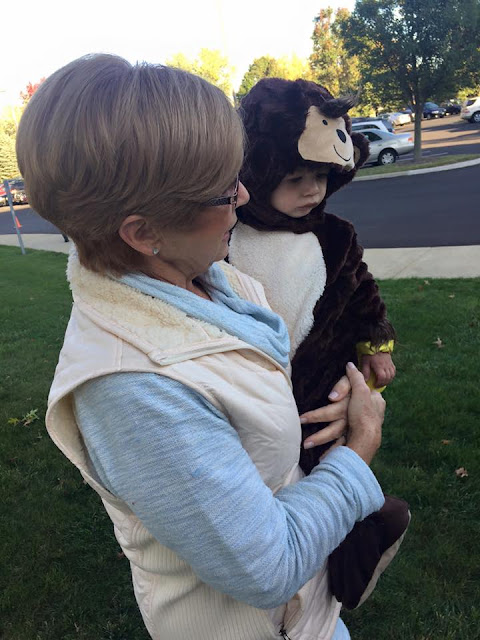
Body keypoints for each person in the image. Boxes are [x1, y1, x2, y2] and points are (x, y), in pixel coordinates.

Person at [17, 54, 386, 640]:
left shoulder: (215, 281)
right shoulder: (135, 391)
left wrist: (334, 403)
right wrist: (360, 444)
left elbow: (248, 409)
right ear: (143, 232)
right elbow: (268, 568)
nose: (244, 194)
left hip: (311, 614)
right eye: (222, 189)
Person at [229, 78, 409, 609]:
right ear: (257, 174)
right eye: (295, 178)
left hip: (321, 382)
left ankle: (357, 551)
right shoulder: (226, 233)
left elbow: (363, 296)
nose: (311, 190)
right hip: (255, 383)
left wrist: (376, 346)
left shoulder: (335, 235)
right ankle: (293, 563)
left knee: (331, 466)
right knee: (271, 485)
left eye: (322, 176)